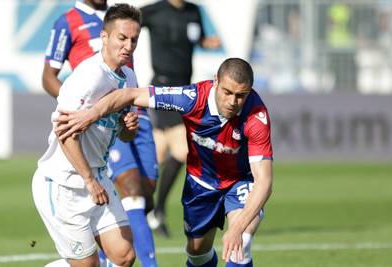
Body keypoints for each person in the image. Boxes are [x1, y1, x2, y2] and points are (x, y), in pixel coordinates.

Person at [55, 58, 274, 267]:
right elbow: (130, 94)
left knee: (241, 241)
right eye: (227, 92)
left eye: (240, 95)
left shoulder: (256, 115)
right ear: (216, 80)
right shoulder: (191, 98)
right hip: (201, 183)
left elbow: (263, 181)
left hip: (239, 181)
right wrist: (90, 115)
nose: (232, 101)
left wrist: (236, 229)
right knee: (197, 253)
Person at [32, 4, 151, 267]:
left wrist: (127, 128)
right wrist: (88, 180)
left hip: (96, 176)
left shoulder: (128, 77)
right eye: (122, 38)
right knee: (87, 265)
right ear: (104, 38)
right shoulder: (87, 76)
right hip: (62, 183)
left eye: (134, 40)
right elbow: (64, 134)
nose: (128, 46)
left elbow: (123, 134)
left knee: (124, 256)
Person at [140, 0, 221, 237]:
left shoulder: (193, 11)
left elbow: (198, 39)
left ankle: (142, 209)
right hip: (163, 88)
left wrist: (208, 43)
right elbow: (126, 26)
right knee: (183, 149)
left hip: (185, 91)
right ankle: (155, 211)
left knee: (158, 154)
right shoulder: (153, 11)